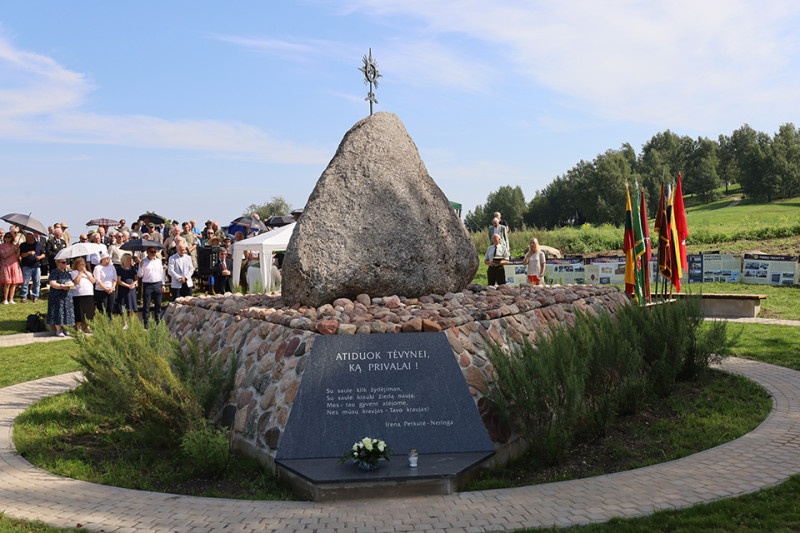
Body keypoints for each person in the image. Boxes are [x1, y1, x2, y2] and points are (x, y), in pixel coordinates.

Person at [47, 257, 75, 336]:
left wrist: (70, 286)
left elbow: (71, 282)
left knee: (67, 312)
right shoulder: (54, 272)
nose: (65, 264)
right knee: (58, 311)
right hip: (57, 295)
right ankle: (58, 330)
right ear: (58, 263)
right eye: (63, 262)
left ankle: (66, 328)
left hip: (67, 296)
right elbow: (52, 283)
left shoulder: (67, 274)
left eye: (66, 262)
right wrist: (61, 286)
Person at [138, 246, 165, 328]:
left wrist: (163, 284)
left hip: (158, 284)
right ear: (147, 252)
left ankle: (158, 322)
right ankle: (146, 323)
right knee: (146, 305)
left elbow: (162, 273)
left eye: (154, 251)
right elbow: (140, 275)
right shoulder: (143, 262)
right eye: (151, 252)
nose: (153, 253)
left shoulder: (158, 261)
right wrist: (141, 267)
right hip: (148, 285)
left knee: (158, 304)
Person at [70, 257, 96, 332]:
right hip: (79, 294)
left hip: (89, 293)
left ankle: (87, 327)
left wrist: (86, 273)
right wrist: (80, 272)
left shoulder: (88, 273)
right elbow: (76, 281)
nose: (83, 266)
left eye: (83, 264)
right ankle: (79, 327)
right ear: (77, 265)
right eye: (81, 264)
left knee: (88, 311)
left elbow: (93, 281)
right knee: (79, 311)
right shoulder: (74, 272)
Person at [19, 232, 45, 303]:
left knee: (36, 282)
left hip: (36, 266)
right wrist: (28, 253)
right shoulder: (23, 245)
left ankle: (35, 296)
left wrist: (40, 257)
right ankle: (24, 296)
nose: (29, 239)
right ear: (26, 238)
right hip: (26, 266)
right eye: (28, 238)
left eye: (31, 238)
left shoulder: (38, 244)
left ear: (33, 238)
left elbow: (43, 254)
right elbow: (21, 255)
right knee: (25, 282)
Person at [116, 253, 138, 329]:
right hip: (123, 290)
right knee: (123, 308)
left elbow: (136, 279)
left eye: (131, 259)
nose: (130, 260)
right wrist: (128, 285)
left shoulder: (133, 268)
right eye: (129, 259)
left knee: (131, 308)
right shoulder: (119, 269)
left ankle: (131, 324)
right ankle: (125, 324)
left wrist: (134, 284)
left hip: (132, 291)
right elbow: (119, 281)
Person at [93, 251, 117, 317]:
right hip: (101, 290)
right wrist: (105, 289)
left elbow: (115, 278)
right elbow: (98, 280)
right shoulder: (97, 268)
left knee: (110, 309)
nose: (108, 260)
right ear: (102, 259)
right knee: (103, 309)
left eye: (108, 258)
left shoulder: (112, 267)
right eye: (106, 258)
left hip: (111, 290)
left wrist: (112, 288)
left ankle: (109, 324)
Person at [0, 232, 22, 304]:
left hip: (14, 265)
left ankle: (11, 299)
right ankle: (5, 299)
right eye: (6, 237)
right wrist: (13, 250)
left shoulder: (14, 246)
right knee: (7, 283)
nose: (7, 238)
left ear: (12, 238)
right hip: (6, 265)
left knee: (13, 283)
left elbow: (17, 257)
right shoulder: (1, 246)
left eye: (9, 237)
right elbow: (4, 256)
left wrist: (18, 250)